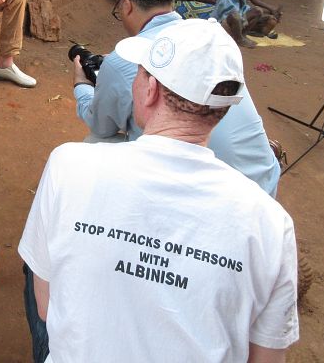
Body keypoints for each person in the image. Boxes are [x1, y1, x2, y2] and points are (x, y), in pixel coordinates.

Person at [20, 19, 299, 363]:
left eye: (139, 74)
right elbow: (266, 358)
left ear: (150, 89)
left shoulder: (68, 165)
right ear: (224, 108)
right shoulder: (271, 223)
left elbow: (47, 307)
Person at [75, 0, 280, 194]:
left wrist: (82, 85)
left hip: (208, 197)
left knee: (96, 143)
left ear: (126, 5)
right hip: (262, 183)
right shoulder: (212, 38)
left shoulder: (123, 65)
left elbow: (102, 128)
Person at [214, 0, 280, 48]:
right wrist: (244, 19)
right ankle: (239, 39)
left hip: (237, 24)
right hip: (221, 28)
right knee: (235, 16)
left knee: (258, 11)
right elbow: (226, 19)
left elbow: (247, 11)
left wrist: (268, 13)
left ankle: (243, 35)